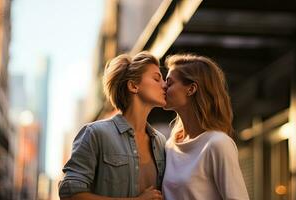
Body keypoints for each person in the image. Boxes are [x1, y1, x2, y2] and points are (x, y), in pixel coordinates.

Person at [58, 51, 166, 200]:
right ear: (133, 86)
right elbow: (70, 193)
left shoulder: (161, 142)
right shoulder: (95, 133)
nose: (165, 85)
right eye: (156, 79)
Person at [162, 54, 250, 200]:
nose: (163, 87)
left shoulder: (218, 144)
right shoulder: (170, 144)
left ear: (191, 89)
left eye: (169, 83)